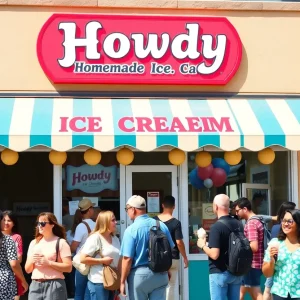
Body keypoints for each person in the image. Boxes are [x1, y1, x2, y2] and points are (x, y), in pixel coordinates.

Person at [120, 195, 175, 300]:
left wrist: (122, 281)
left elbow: (127, 259)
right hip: (160, 274)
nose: (127, 212)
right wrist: (166, 269)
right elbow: (170, 249)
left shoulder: (131, 230)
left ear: (133, 209)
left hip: (139, 276)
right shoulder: (161, 225)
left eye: (127, 209)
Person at [197, 194, 243, 300]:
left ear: (216, 207)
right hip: (236, 272)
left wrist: (203, 245)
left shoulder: (217, 226)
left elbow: (214, 254)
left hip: (220, 272)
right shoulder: (238, 224)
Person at [25, 212, 72, 300]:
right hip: (35, 285)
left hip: (54, 284)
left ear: (52, 225)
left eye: (43, 223)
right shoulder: (34, 243)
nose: (40, 226)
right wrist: (32, 260)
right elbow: (27, 270)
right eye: (38, 223)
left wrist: (48, 263)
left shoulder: (61, 243)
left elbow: (68, 268)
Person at [153, 195, 189, 300]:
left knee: (157, 286)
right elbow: (179, 242)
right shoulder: (176, 223)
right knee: (171, 285)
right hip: (173, 258)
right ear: (174, 206)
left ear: (162, 205)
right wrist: (185, 257)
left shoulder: (154, 221)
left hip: (158, 258)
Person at [80, 211, 120, 300]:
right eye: (113, 220)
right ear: (105, 222)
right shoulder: (95, 238)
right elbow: (83, 259)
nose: (116, 222)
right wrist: (102, 261)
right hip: (98, 281)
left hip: (112, 281)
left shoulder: (115, 238)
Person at [262, 209, 300, 300]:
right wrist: (271, 260)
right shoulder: (275, 243)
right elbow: (267, 274)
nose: (285, 224)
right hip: (280, 293)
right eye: (284, 220)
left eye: (290, 221)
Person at [235, 198, 264, 300]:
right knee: (243, 292)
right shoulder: (258, 220)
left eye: (238, 210)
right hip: (254, 264)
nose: (237, 213)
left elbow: (254, 246)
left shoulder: (251, 223)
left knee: (256, 294)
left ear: (245, 209)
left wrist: (240, 246)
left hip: (251, 264)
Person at [71, 198, 96, 300]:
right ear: (89, 210)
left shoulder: (81, 226)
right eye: (93, 208)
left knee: (79, 293)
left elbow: (73, 247)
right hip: (93, 262)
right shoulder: (96, 225)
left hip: (82, 264)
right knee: (89, 293)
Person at [0, 210, 28, 300]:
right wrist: (24, 281)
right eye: (3, 220)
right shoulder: (7, 239)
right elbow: (14, 263)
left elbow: (18, 259)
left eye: (9, 220)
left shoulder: (16, 237)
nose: (5, 223)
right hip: (4, 279)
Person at [65, 208, 83, 299]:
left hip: (75, 260)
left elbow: (71, 249)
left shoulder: (68, 233)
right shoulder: (89, 227)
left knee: (76, 290)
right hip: (80, 261)